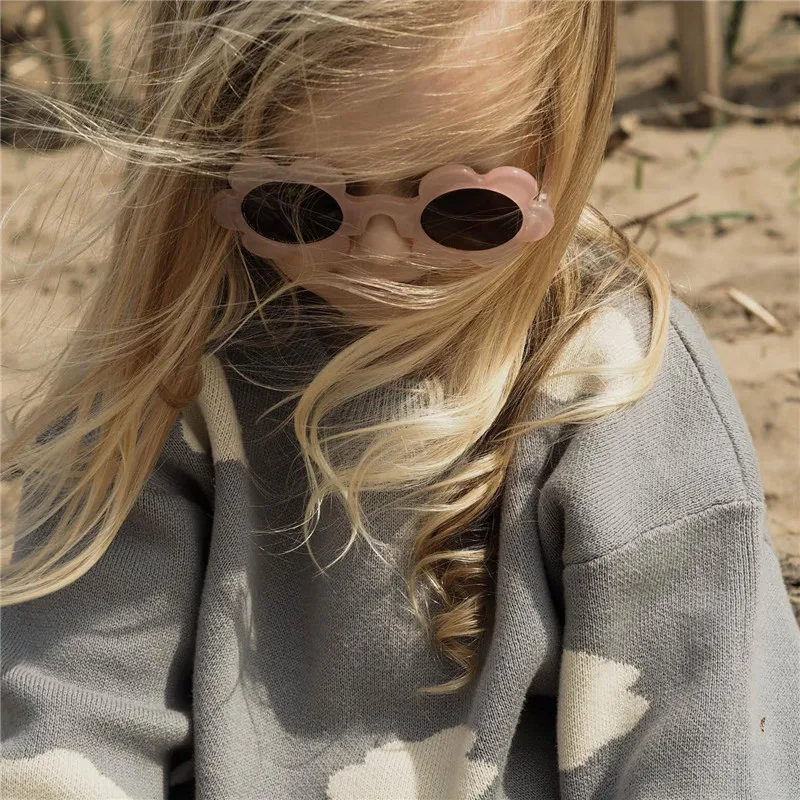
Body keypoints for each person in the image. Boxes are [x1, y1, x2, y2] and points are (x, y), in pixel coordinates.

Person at [1, 1, 798, 798]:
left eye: (464, 209)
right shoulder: (171, 366)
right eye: (300, 204)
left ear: (566, 139)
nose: (381, 254)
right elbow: (71, 715)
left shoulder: (614, 379)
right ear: (211, 161)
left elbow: (700, 740)